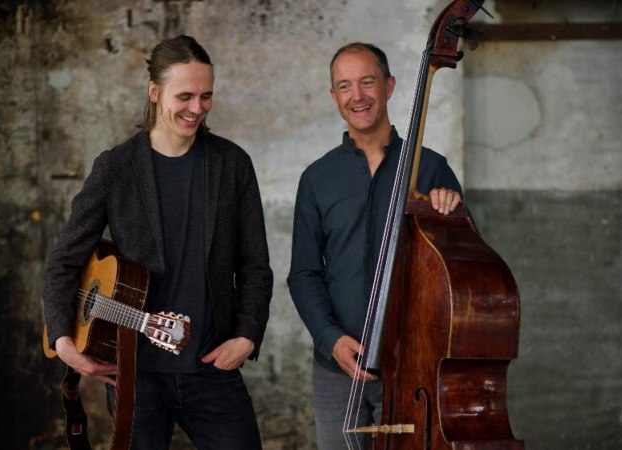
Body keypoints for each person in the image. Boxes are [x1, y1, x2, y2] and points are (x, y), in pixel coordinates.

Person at [42, 35, 273, 450]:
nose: (197, 108)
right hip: (135, 375)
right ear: (154, 92)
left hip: (212, 369)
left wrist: (248, 336)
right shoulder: (115, 168)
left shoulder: (233, 164)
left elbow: (255, 264)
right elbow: (63, 261)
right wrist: (64, 343)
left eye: (206, 96)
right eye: (184, 95)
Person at [287, 42, 463, 449]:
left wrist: (453, 215)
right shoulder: (316, 179)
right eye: (345, 86)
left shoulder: (431, 168)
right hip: (335, 368)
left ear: (389, 86)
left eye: (368, 82)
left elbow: (461, 272)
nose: (358, 96)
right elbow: (304, 274)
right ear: (334, 97)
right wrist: (331, 339)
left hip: (412, 366)